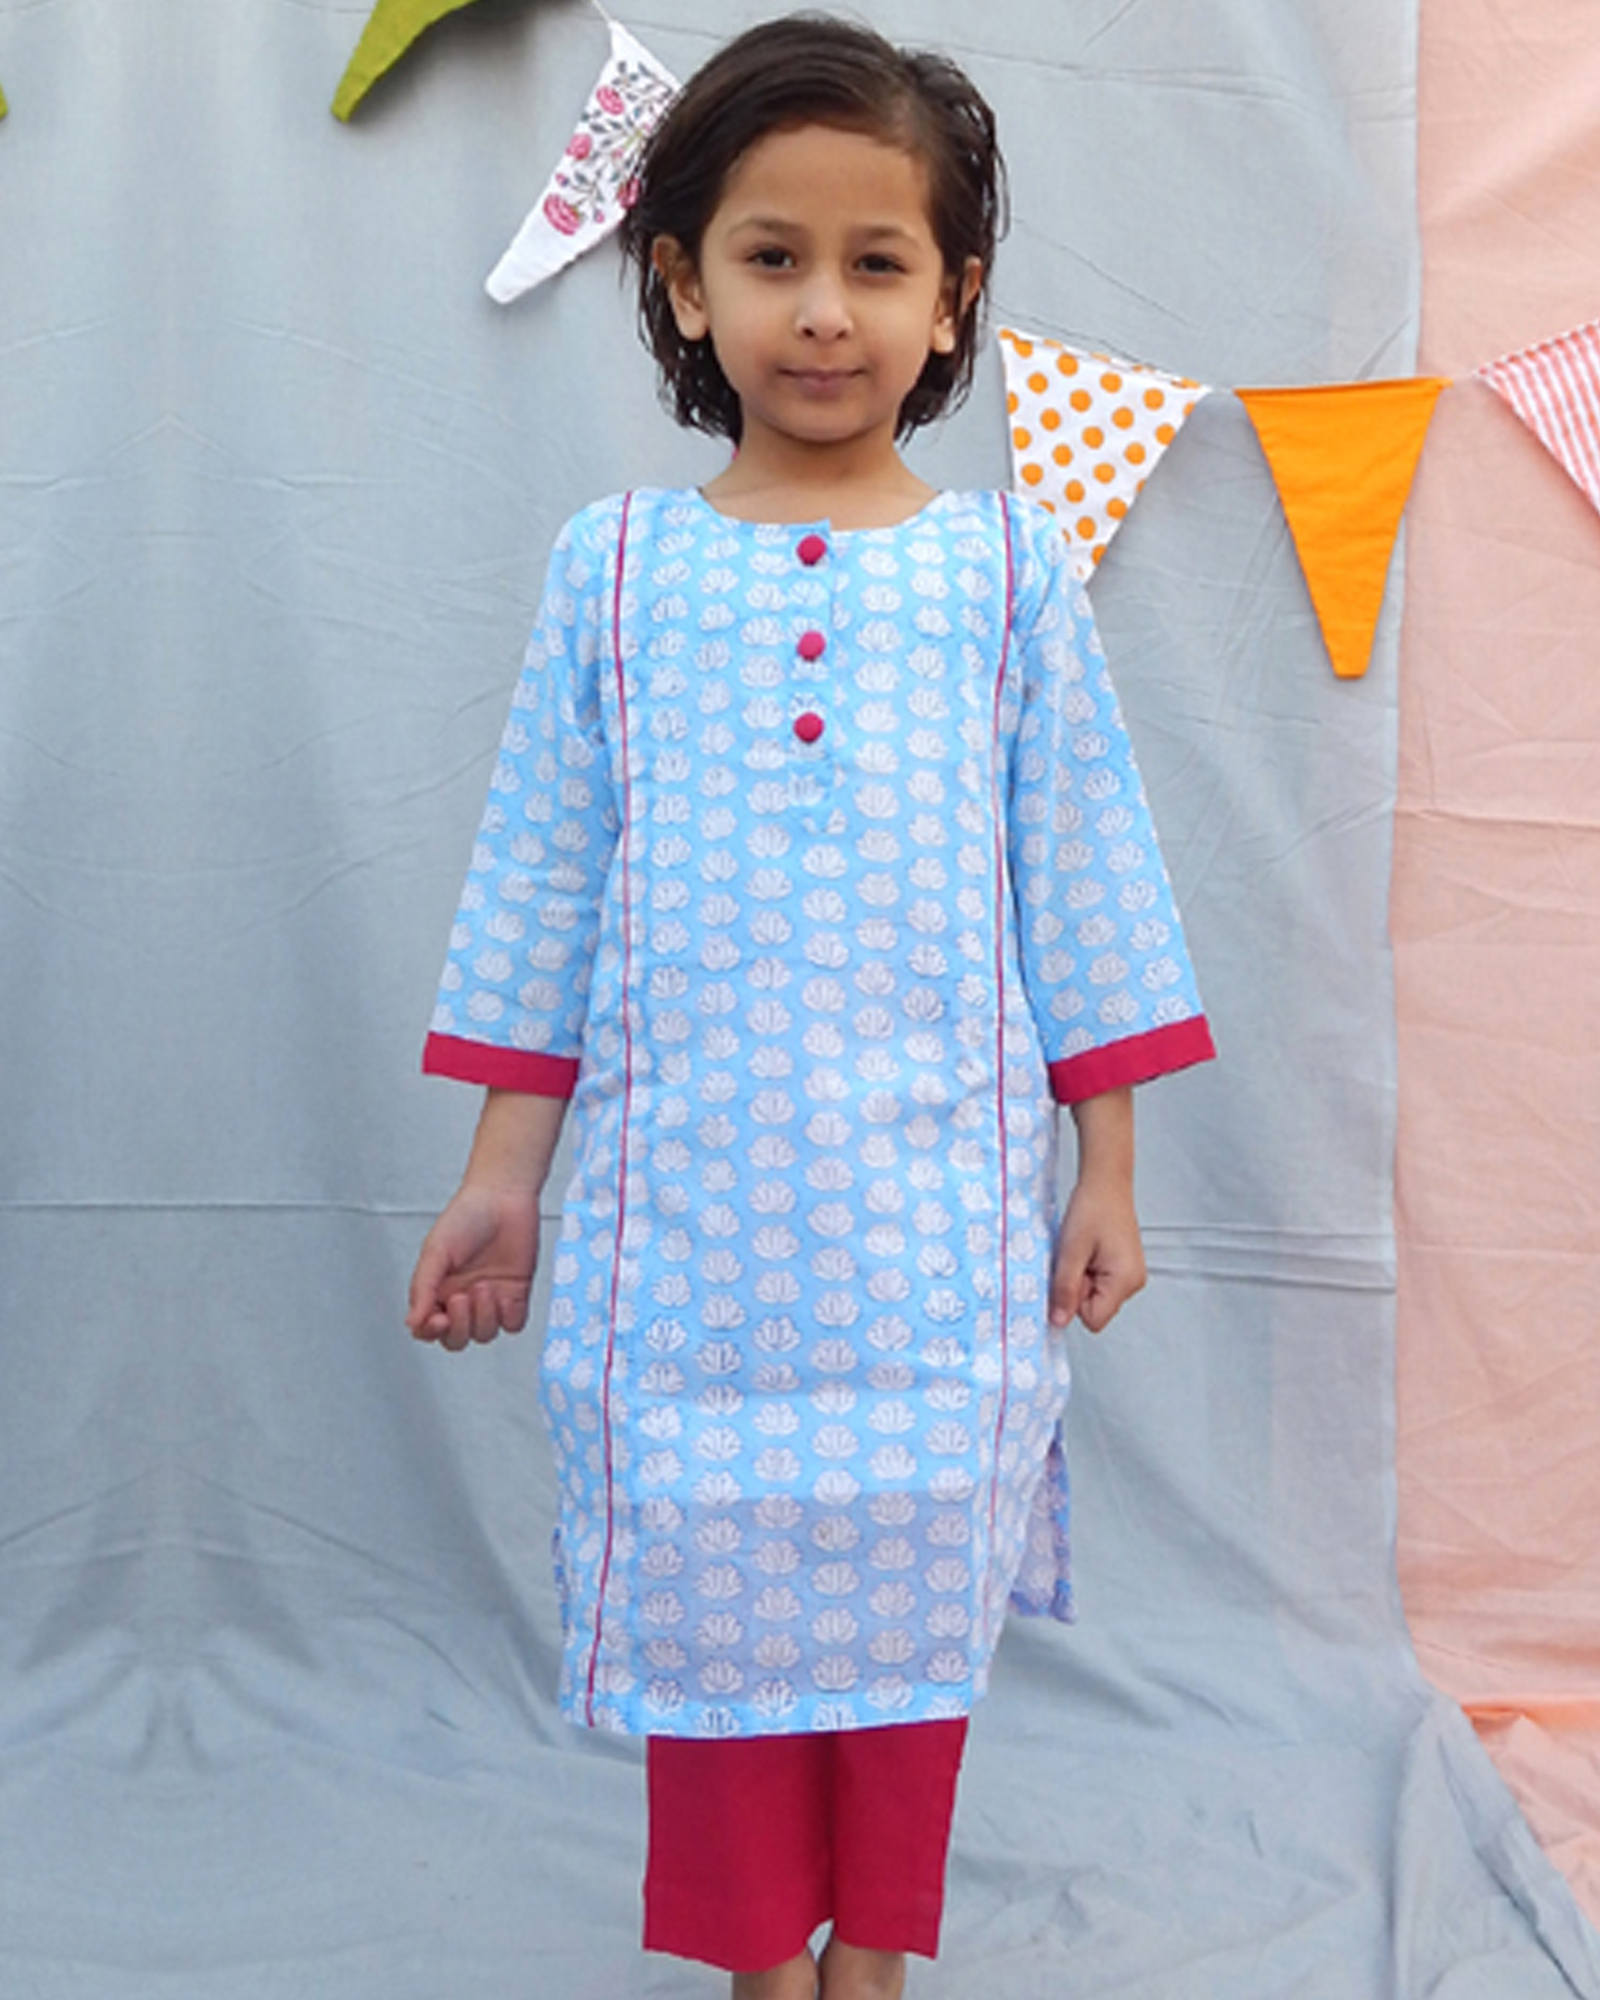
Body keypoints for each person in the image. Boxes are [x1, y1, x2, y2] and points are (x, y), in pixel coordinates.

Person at [406, 14, 1215, 1998]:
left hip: (932, 1239)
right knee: (711, 1608)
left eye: (877, 262)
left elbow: (1083, 876)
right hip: (679, 1242)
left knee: (905, 1614)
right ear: (684, 283)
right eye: (772, 258)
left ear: (952, 301)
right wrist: (503, 1180)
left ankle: (875, 1960)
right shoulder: (613, 573)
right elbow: (542, 885)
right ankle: (764, 1961)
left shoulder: (1006, 575)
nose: (826, 312)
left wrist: (1106, 1170)